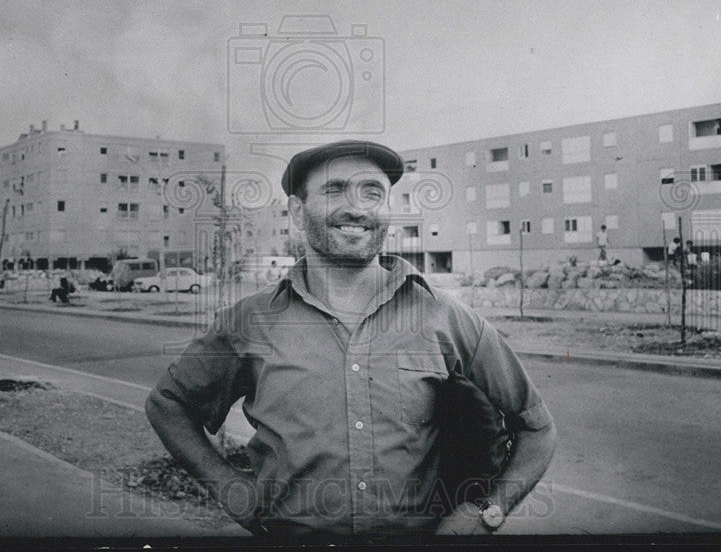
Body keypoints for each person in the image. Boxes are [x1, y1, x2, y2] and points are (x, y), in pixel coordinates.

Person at [146, 139, 557, 539]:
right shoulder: (252, 321)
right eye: (334, 189)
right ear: (296, 210)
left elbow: (536, 427)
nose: (356, 208)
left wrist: (487, 512)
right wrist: (228, 487)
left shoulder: (445, 317)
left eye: (372, 192)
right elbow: (169, 403)